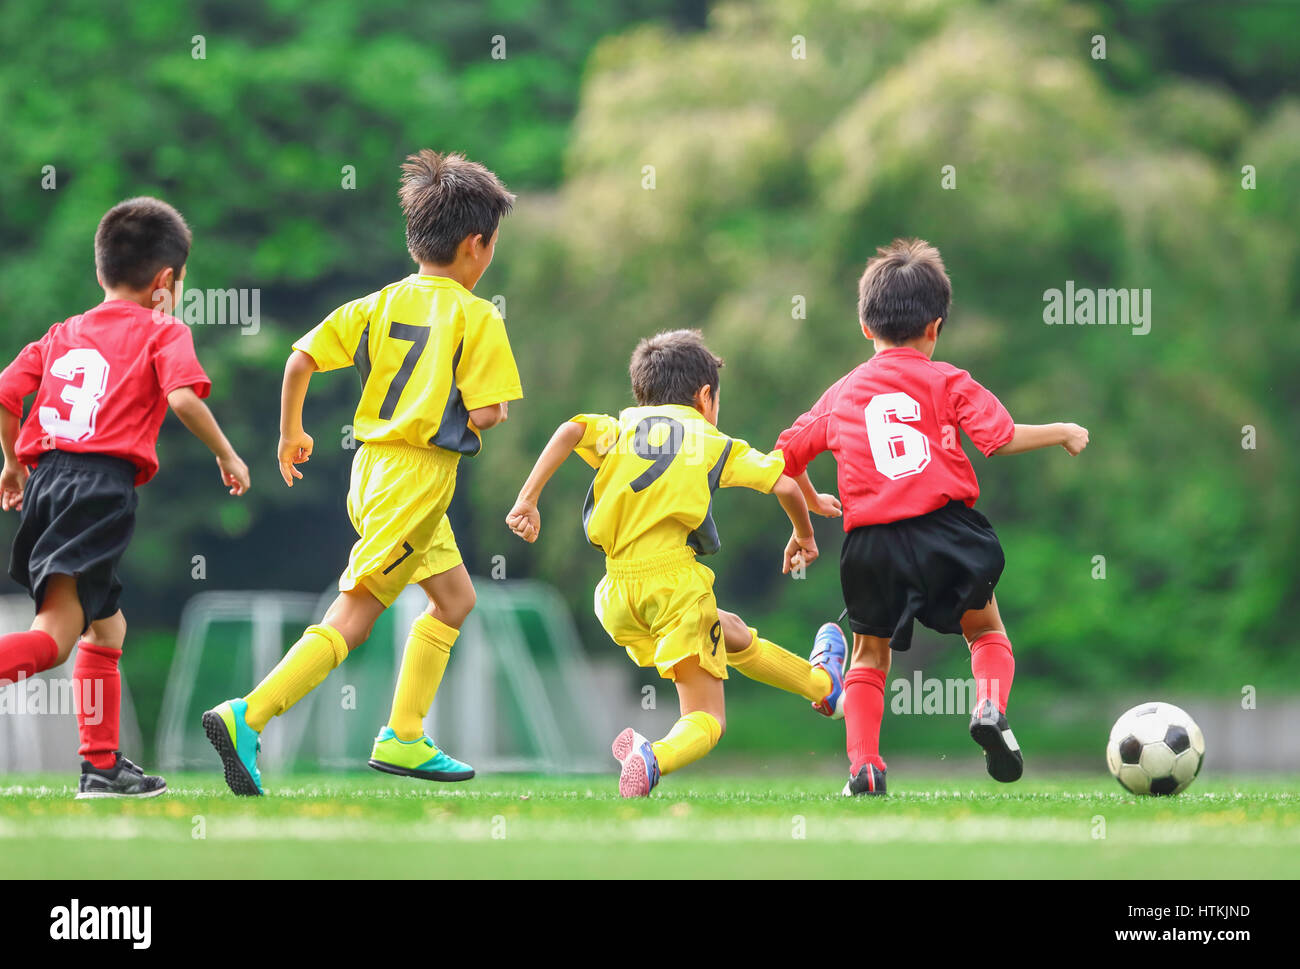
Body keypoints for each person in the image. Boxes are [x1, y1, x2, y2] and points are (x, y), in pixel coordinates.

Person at [204, 151, 521, 796]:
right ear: (476, 244)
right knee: (356, 614)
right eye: (493, 246)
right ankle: (249, 715)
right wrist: (482, 407)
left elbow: (298, 361)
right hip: (418, 479)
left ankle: (403, 736)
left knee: (456, 599)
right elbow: (488, 413)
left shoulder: (378, 303)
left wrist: (292, 433)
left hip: (370, 468)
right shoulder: (478, 314)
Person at [775, 239, 1089, 795]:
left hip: (870, 542)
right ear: (935, 327)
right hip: (944, 532)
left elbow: (783, 457)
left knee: (869, 655)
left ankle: (864, 768)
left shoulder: (842, 393)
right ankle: (989, 709)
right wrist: (1062, 431)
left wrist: (810, 510)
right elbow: (1001, 438)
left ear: (865, 328)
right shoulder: (946, 379)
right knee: (986, 630)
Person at [507, 329, 845, 797]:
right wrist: (804, 535)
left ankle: (822, 686)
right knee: (707, 718)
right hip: (673, 585)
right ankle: (654, 757)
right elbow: (785, 484)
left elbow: (569, 430)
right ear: (705, 396)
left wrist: (528, 500)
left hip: (616, 592)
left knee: (729, 629)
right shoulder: (708, 438)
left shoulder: (622, 425)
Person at [0, 196, 250, 798]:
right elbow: (185, 400)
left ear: (100, 270)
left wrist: (11, 464)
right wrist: (227, 453)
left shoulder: (64, 332)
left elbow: (7, 392)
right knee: (57, 639)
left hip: (50, 483)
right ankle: (100, 766)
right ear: (166, 281)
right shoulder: (164, 329)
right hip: (98, 488)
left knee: (105, 630)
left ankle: (101, 766)